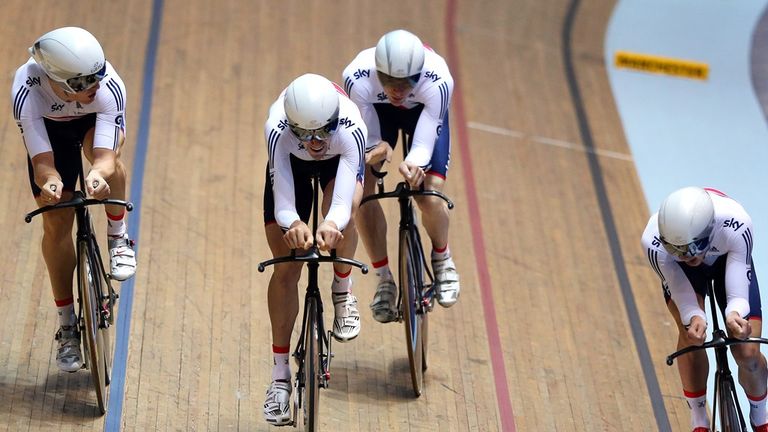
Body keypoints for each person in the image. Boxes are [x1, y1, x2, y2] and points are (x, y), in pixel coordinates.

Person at [11, 27, 137, 373]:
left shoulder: (108, 86)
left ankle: (118, 237)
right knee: (55, 219)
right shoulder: (26, 89)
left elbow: (105, 157)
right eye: (83, 82)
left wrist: (98, 172)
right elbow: (42, 164)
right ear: (56, 79)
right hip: (49, 130)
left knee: (113, 171)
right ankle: (67, 325)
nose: (95, 85)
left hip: (92, 124)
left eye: (97, 75)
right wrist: (51, 182)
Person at [261, 73, 370, 425]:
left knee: (344, 219)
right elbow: (283, 200)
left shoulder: (351, 128)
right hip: (291, 168)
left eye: (323, 131)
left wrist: (330, 224)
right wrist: (293, 224)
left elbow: (341, 205)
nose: (316, 141)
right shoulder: (277, 129)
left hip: (337, 168)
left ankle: (342, 290)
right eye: (306, 134)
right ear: (292, 125)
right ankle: (279, 378)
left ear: (335, 121)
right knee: (286, 268)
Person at [342, 29, 460, 323]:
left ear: (420, 73)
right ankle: (384, 280)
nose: (397, 90)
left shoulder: (438, 79)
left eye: (407, 82)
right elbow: (366, 136)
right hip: (378, 116)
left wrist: (414, 163)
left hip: (421, 115)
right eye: (389, 81)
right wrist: (376, 149)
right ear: (377, 71)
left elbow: (423, 143)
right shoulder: (357, 76)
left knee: (429, 193)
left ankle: (442, 259)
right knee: (363, 193)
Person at [641, 186, 768, 432]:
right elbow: (680, 290)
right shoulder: (653, 243)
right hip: (684, 277)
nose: (689, 256)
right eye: (679, 249)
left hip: (727, 259)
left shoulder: (737, 223)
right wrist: (693, 317)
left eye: (695, 246)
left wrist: (734, 313)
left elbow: (738, 294)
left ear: (710, 230)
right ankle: (699, 418)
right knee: (691, 336)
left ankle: (761, 416)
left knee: (747, 350)